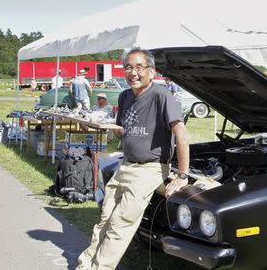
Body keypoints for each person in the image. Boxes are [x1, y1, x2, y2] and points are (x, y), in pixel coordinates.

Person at [77, 47, 190, 269]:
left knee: (120, 224)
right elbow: (124, 130)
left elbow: (181, 135)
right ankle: (85, 264)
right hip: (126, 165)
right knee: (105, 219)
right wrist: (99, 127)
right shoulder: (125, 95)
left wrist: (182, 175)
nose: (133, 72)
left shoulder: (162, 95)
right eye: (128, 67)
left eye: (139, 67)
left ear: (152, 71)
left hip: (150, 169)